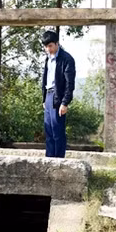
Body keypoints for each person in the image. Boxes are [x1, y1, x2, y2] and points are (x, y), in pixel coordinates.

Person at [41, 30, 75, 158]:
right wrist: (44, 99)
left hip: (58, 97)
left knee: (57, 131)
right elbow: (45, 79)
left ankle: (59, 160)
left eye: (50, 46)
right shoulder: (48, 59)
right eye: (46, 47)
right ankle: (49, 159)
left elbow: (69, 83)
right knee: (49, 130)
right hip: (48, 96)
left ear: (57, 44)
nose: (48, 49)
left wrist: (65, 102)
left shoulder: (67, 59)